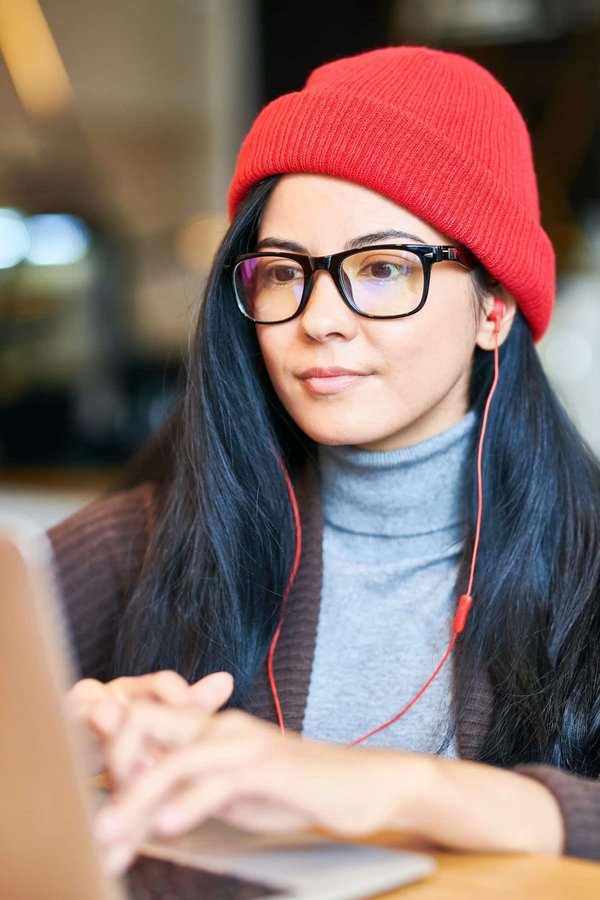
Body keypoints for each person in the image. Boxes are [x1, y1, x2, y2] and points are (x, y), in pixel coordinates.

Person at [50, 46, 600, 877]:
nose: (320, 319)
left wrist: (393, 790)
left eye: (381, 269)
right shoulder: (143, 542)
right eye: (283, 273)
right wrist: (56, 740)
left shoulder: (586, 567)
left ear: (495, 307)